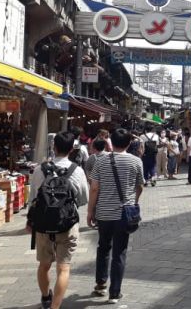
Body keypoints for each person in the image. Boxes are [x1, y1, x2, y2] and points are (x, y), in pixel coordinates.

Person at [28, 132, 89, 309]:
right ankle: (55, 307)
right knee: (63, 268)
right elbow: (83, 198)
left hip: (43, 224)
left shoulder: (40, 169)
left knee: (44, 264)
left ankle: (46, 297)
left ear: (54, 147)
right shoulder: (77, 170)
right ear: (71, 149)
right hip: (67, 224)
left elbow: (33, 198)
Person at [86, 128, 144, 304]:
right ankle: (115, 292)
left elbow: (94, 188)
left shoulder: (100, 161)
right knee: (119, 252)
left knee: (103, 247)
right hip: (124, 213)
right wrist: (134, 200)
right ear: (128, 143)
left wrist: (90, 211)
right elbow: (140, 186)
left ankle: (100, 284)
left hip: (103, 212)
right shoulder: (136, 161)